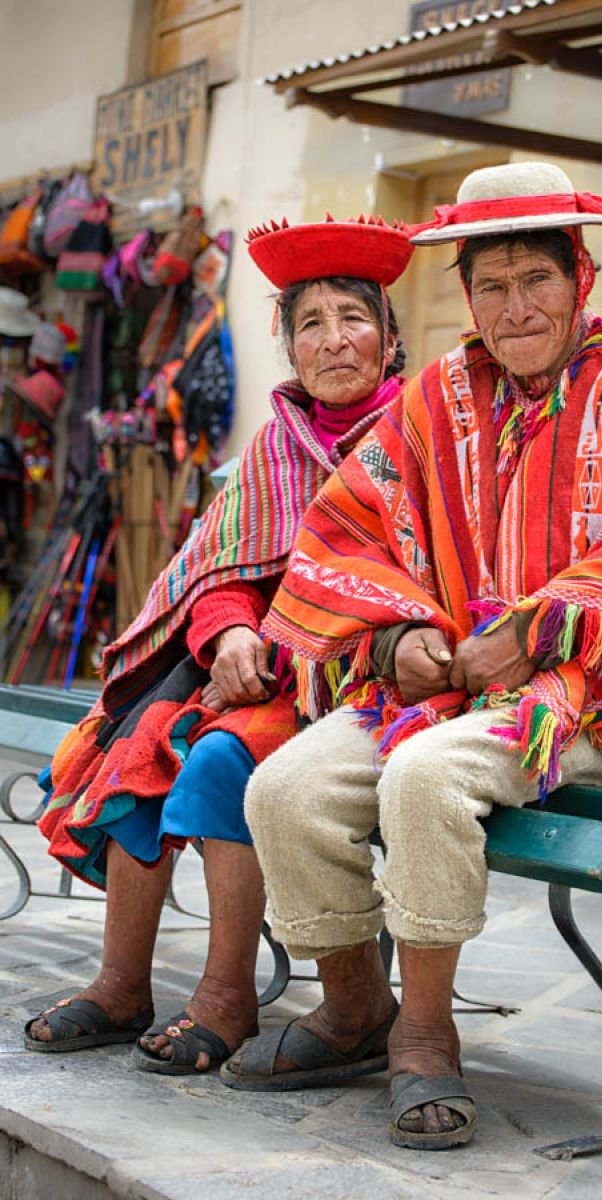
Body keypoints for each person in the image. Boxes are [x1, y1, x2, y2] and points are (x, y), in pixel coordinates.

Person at [222, 162, 602, 1149]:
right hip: (452, 690)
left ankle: (427, 1037)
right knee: (284, 785)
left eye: (536, 277)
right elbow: (345, 528)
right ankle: (354, 1007)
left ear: (580, 276)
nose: (515, 305)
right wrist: (401, 636)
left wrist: (537, 628)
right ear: (466, 297)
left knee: (424, 776)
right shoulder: (434, 400)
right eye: (491, 285)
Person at [23, 213, 414, 1075]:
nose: (332, 340)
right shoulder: (276, 447)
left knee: (216, 760)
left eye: (353, 319)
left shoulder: (419, 440)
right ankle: (122, 984)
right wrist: (230, 628)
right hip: (265, 672)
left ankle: (226, 998)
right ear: (289, 347)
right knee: (136, 745)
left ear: (389, 341)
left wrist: (313, 640)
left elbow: (427, 584)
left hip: (370, 684)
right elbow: (218, 569)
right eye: (308, 323)